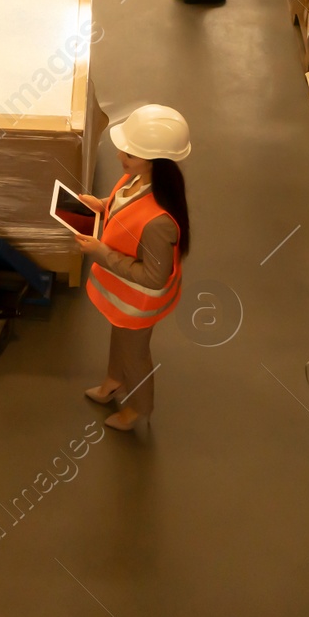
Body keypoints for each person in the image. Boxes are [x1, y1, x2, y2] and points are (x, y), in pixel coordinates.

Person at [69, 105, 193, 432]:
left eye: (131, 154)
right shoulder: (136, 177)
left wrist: (101, 253)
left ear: (155, 161)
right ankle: (113, 380)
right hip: (122, 301)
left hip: (138, 303)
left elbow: (154, 277)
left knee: (136, 357)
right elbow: (125, 209)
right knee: (118, 340)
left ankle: (139, 409)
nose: (121, 155)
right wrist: (101, 206)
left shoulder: (159, 223)